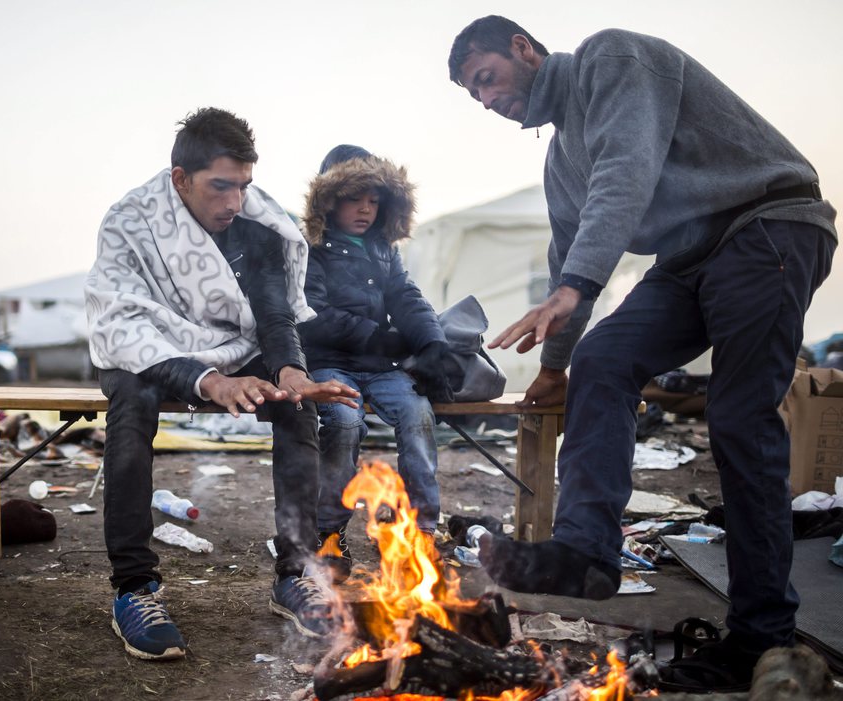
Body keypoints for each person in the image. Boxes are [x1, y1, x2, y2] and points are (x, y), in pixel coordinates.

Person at [448, 16, 836, 692]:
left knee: (740, 421)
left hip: (766, 223)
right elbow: (565, 251)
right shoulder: (561, 159)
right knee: (603, 359)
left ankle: (761, 632)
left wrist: (576, 288)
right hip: (689, 258)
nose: (487, 101)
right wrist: (553, 364)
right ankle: (588, 553)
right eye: (473, 97)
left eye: (486, 80)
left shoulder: (612, 58)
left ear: (523, 49)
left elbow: (626, 170)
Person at [85, 108, 360, 661]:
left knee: (296, 404)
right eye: (220, 187)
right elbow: (119, 323)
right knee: (133, 402)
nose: (234, 202)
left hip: (230, 346)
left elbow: (273, 316)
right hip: (142, 347)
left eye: (243, 186)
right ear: (180, 178)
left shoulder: (257, 226)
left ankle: (295, 573)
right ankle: (135, 589)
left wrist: (289, 371)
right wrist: (205, 379)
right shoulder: (129, 222)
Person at [298, 145, 451, 579]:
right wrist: (381, 338)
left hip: (382, 366)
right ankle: (328, 533)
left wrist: (432, 343)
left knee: (418, 414)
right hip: (328, 363)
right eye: (354, 198)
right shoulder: (309, 247)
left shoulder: (383, 247)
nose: (366, 209)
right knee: (345, 425)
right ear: (328, 200)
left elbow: (406, 296)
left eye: (374, 200)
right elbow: (312, 314)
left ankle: (419, 534)